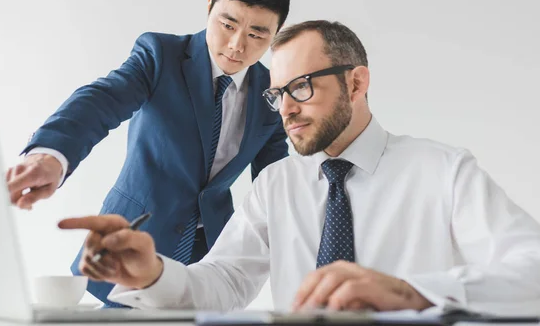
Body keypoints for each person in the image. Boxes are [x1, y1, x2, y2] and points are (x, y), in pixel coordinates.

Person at [59, 20, 540, 314]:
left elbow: (532, 270)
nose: (285, 108)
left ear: (356, 83)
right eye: (278, 92)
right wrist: (153, 274)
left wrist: (412, 293)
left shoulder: (443, 171)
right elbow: (223, 283)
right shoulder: (277, 185)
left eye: (302, 87)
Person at [5, 0, 291, 306]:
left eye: (257, 34)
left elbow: (276, 182)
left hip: (212, 260)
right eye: (227, 24)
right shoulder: (161, 55)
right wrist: (51, 155)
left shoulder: (272, 93)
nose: (236, 45)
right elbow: (101, 100)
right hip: (130, 245)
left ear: (275, 36)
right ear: (209, 7)